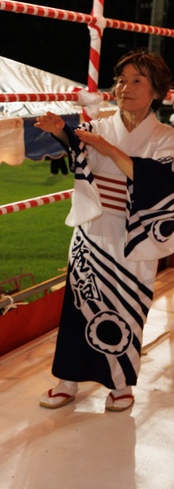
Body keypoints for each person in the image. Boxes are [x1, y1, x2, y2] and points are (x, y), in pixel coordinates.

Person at [35, 49, 174, 413]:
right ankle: (67, 379)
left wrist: (108, 150)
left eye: (137, 81)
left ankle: (121, 384)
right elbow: (82, 150)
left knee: (129, 308)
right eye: (121, 80)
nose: (124, 87)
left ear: (157, 91)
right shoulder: (100, 127)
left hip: (134, 236)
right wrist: (63, 133)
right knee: (79, 306)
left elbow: (156, 181)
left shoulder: (166, 138)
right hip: (93, 230)